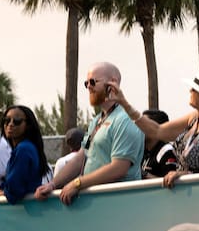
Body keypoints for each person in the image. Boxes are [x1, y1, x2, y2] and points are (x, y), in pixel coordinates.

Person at [35, 62, 144, 206]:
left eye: (93, 82)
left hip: (120, 204)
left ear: (113, 82)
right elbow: (81, 156)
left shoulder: (126, 119)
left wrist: (78, 183)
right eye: (86, 83)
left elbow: (119, 168)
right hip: (99, 204)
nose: (89, 87)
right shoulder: (96, 121)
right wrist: (52, 185)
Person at [111, 68, 199, 188]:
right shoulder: (194, 118)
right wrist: (124, 104)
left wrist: (187, 176)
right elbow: (156, 131)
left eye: (194, 89)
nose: (190, 91)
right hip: (188, 196)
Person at [0, 105, 50, 204]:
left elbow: (14, 191)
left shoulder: (23, 149)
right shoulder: (25, 148)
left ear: (28, 125)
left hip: (26, 211)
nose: (10, 124)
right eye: (7, 120)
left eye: (17, 121)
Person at [139, 109, 180, 178]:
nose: (138, 128)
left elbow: (169, 182)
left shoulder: (167, 151)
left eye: (143, 125)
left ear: (155, 128)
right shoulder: (142, 151)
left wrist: (144, 174)